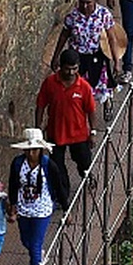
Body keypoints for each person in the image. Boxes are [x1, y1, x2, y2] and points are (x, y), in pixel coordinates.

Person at [6, 128, 68, 265]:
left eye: (35, 150)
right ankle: (39, 256)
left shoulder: (49, 166)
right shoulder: (18, 163)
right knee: (25, 240)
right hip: (24, 207)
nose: (31, 153)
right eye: (28, 150)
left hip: (42, 209)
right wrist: (13, 204)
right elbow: (13, 184)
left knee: (35, 245)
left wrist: (66, 209)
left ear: (41, 149)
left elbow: (59, 187)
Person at [35, 48, 97, 179]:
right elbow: (40, 105)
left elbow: (91, 110)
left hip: (79, 134)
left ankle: (87, 178)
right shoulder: (50, 83)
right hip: (56, 133)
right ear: (61, 66)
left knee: (84, 162)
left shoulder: (84, 87)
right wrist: (38, 128)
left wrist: (92, 132)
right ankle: (63, 195)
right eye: (67, 69)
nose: (71, 72)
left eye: (74, 69)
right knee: (57, 167)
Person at [56, 0, 115, 105]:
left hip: (96, 55)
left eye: (88, 3)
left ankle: (103, 102)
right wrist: (55, 56)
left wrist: (116, 61)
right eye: (82, 3)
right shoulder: (73, 17)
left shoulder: (103, 14)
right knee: (78, 89)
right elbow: (63, 36)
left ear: (95, 1)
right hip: (78, 57)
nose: (84, 6)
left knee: (95, 87)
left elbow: (111, 38)